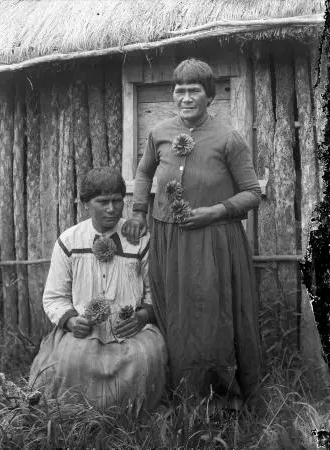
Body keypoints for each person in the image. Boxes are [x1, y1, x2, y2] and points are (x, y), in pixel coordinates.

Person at [122, 58, 261, 408]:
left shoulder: (228, 138)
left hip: (213, 241)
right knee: (174, 314)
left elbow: (252, 193)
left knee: (212, 316)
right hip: (169, 239)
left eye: (194, 90)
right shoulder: (160, 132)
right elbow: (143, 173)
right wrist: (139, 211)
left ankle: (220, 397)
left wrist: (213, 212)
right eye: (179, 90)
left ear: (210, 96)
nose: (185, 97)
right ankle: (179, 392)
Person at [29, 167, 167, 411]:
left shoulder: (140, 241)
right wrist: (71, 322)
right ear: (85, 204)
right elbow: (54, 297)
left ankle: (133, 417)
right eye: (102, 202)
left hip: (130, 328)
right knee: (73, 360)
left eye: (117, 201)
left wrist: (142, 316)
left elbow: (154, 291)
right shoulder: (69, 241)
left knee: (145, 359)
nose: (112, 208)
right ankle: (77, 417)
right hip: (85, 329)